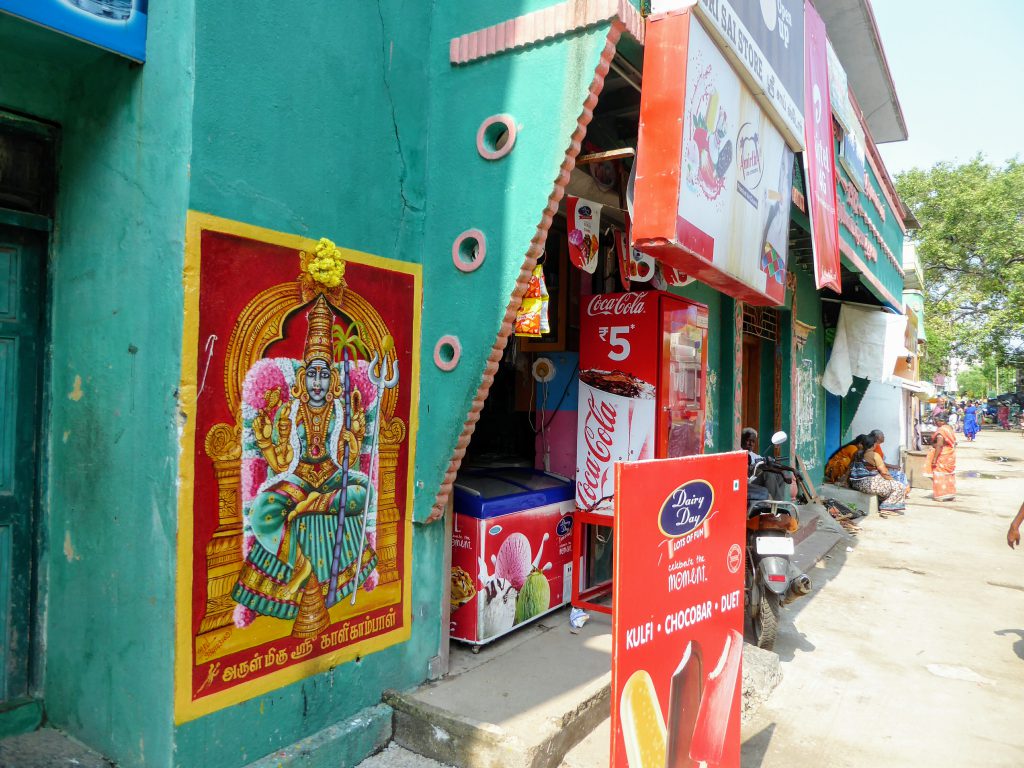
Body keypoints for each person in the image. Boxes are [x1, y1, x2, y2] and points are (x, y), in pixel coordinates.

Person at [231, 296, 378, 636]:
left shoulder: (340, 410)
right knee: (264, 509)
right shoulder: (290, 412)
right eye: (311, 374)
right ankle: (298, 565)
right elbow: (283, 462)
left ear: (331, 381)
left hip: (328, 479)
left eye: (324, 375)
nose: (317, 382)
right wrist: (268, 442)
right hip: (298, 479)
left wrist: (353, 432)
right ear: (302, 378)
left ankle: (315, 507)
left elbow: (350, 460)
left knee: (360, 493)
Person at [848, 434, 907, 516]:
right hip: (868, 485)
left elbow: (850, 468)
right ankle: (887, 508)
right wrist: (893, 481)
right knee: (899, 486)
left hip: (855, 484)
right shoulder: (874, 455)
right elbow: (884, 472)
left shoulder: (856, 453)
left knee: (885, 485)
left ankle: (882, 504)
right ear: (873, 445)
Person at [926, 413, 957, 502]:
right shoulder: (949, 428)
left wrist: (934, 459)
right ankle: (950, 494)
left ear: (942, 421)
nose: (935, 423)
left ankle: (941, 495)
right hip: (950, 454)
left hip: (942, 455)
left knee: (939, 474)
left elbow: (939, 445)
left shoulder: (941, 431)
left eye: (937, 421)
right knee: (949, 475)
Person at [869, 430, 910, 495]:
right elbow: (879, 463)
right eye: (882, 435)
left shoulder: (877, 446)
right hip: (878, 472)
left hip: (881, 469)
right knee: (900, 475)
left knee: (900, 474)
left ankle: (903, 492)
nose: (884, 437)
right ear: (877, 437)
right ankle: (902, 492)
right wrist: (892, 466)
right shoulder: (873, 447)